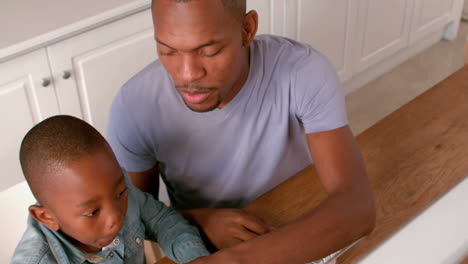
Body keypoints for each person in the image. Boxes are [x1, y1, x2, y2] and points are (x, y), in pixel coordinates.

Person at [107, 0, 376, 263]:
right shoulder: (134, 105)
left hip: (303, 218)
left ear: (247, 29)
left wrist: (238, 259)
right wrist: (200, 221)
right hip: (203, 240)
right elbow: (131, 216)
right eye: (169, 51)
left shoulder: (302, 70)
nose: (187, 75)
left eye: (209, 51)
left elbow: (357, 206)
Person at [12, 115, 209, 264]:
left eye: (120, 193)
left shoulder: (115, 188)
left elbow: (163, 221)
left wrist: (197, 258)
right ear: (47, 218)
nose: (115, 216)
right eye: (92, 212)